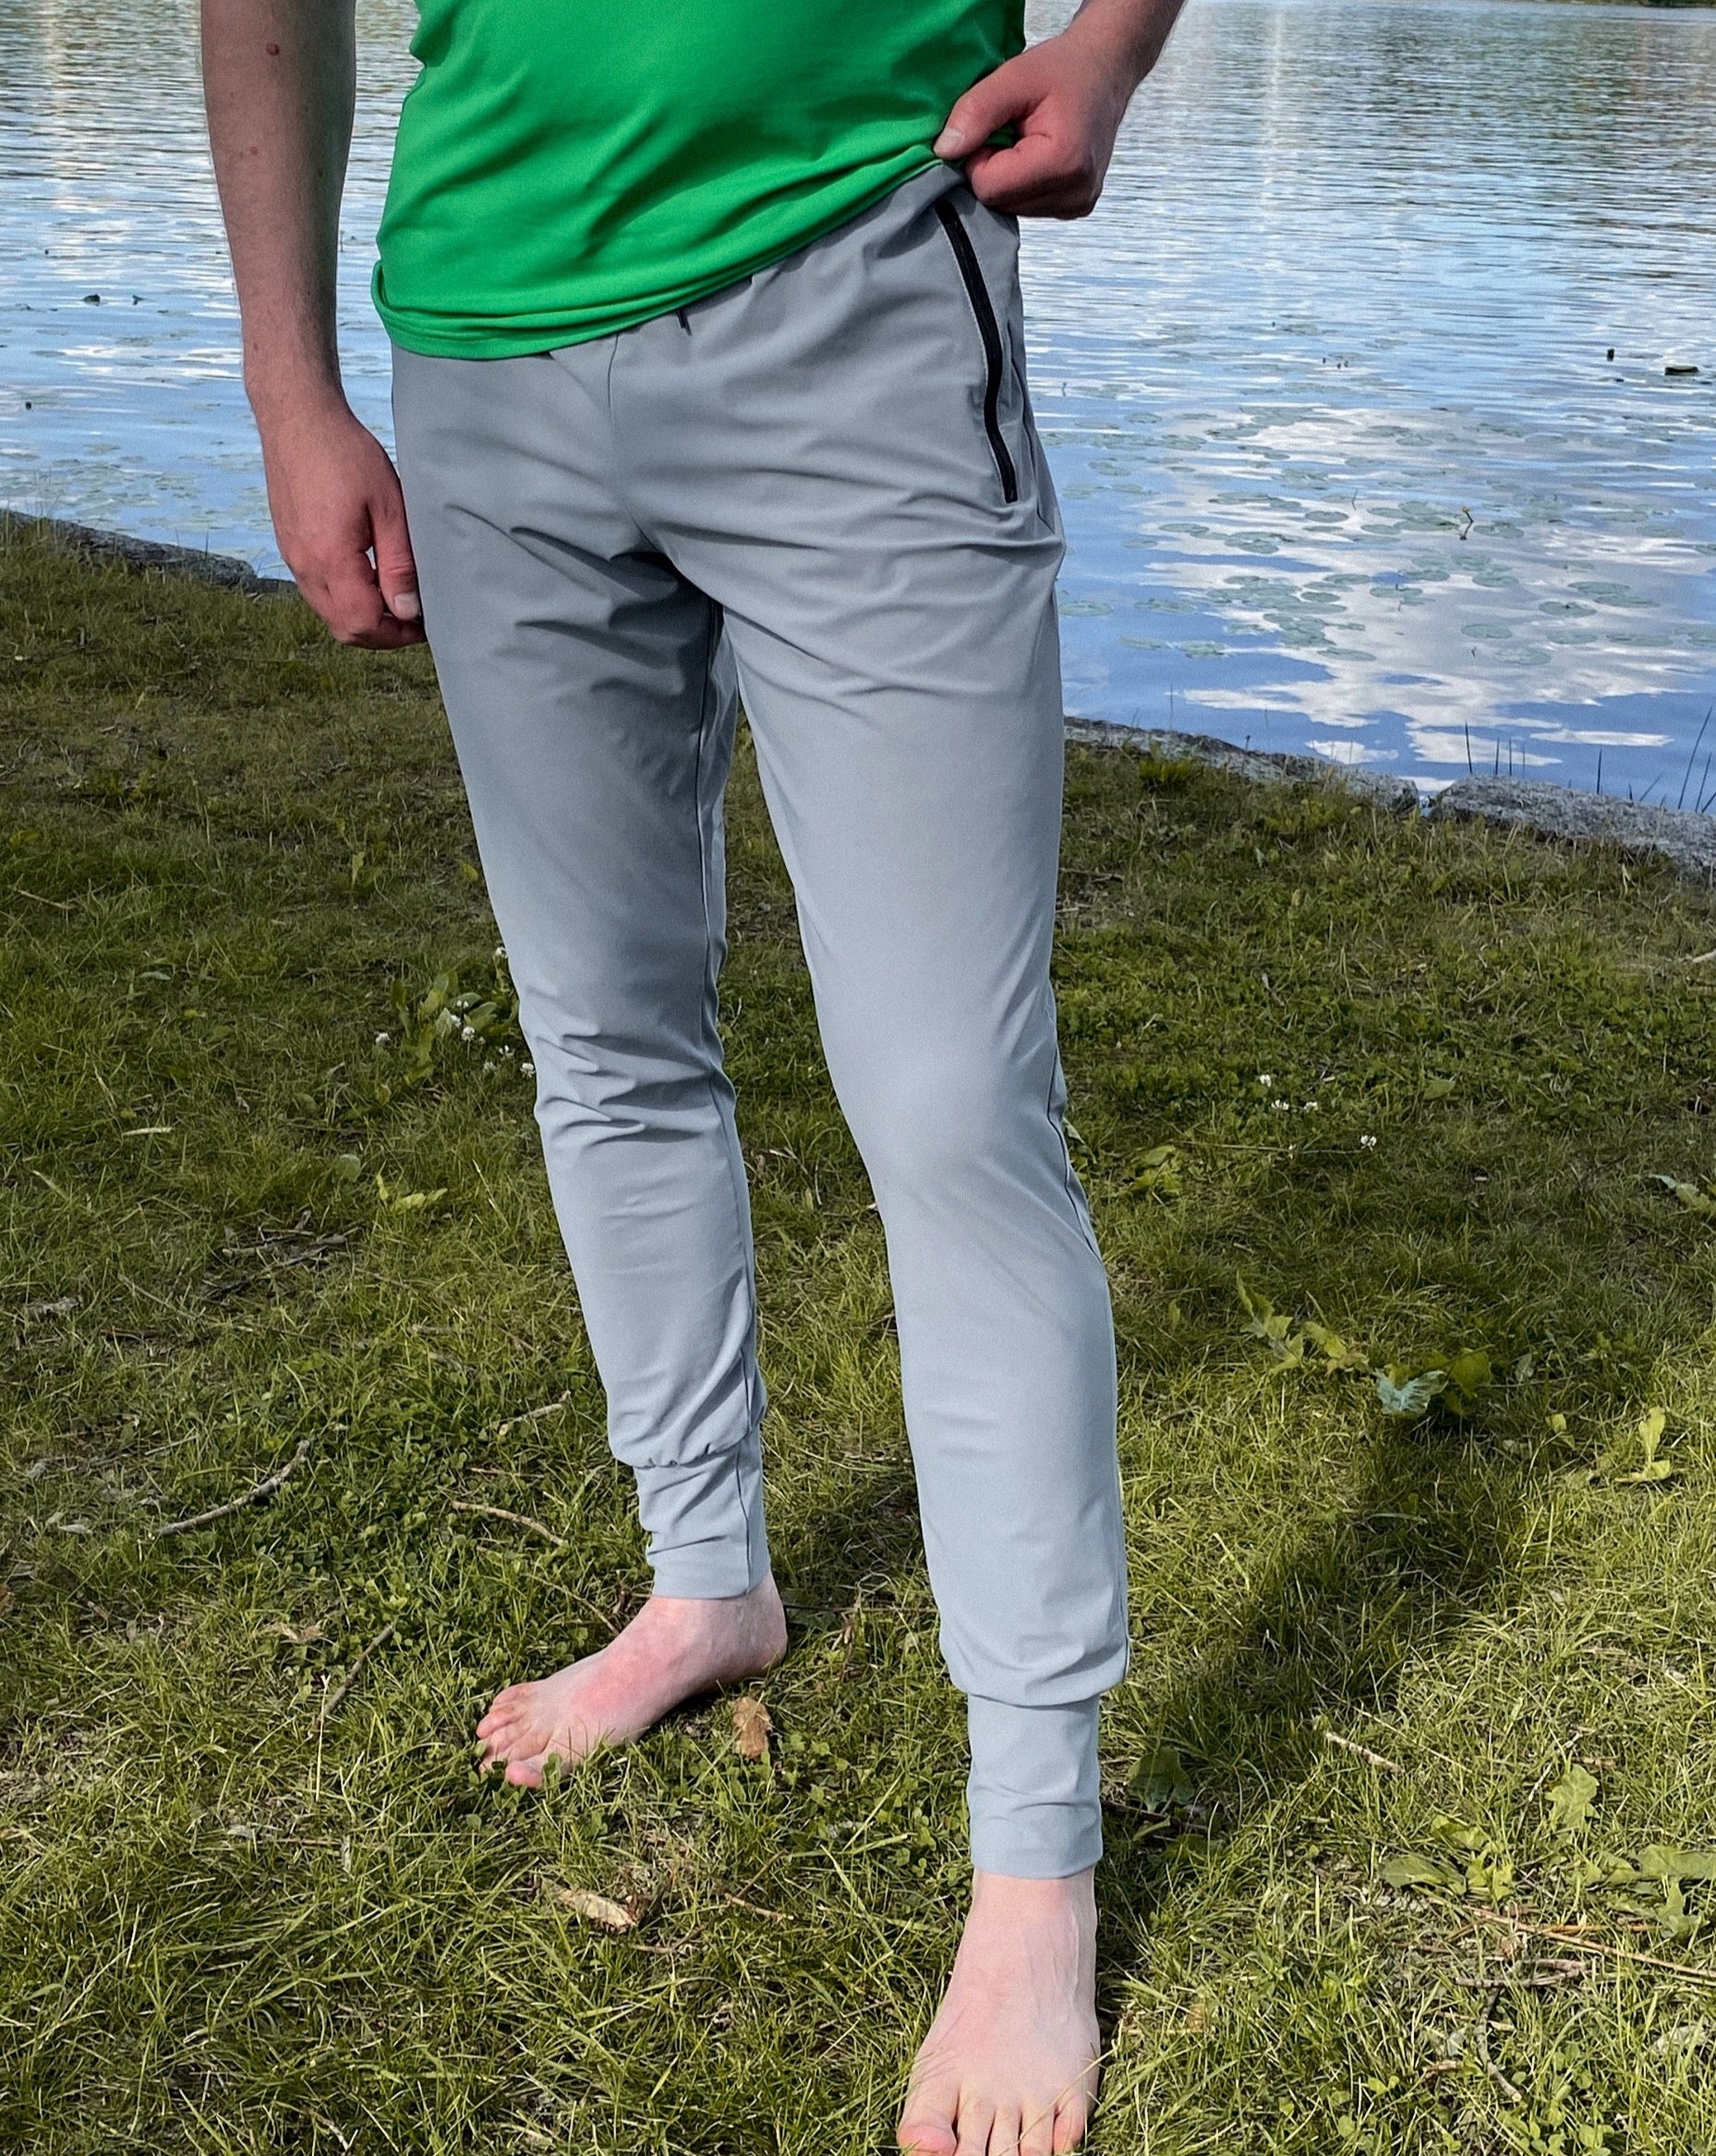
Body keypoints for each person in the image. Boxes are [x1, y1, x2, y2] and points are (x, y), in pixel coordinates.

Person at [202, 0, 1186, 2145]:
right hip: (483, 344)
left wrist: (1112, 42)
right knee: (604, 1033)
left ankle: (1033, 1854)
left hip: (852, 280)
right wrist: (290, 384)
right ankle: (704, 1578)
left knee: (948, 1102)